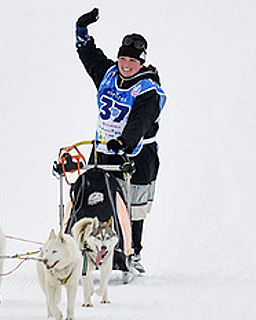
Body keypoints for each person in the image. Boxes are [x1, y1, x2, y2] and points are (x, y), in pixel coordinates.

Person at [75, 8, 167, 273]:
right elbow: (90, 56)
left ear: (142, 63)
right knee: (95, 197)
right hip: (103, 150)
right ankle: (93, 248)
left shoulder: (149, 90)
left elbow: (141, 121)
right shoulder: (108, 74)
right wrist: (81, 31)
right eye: (123, 59)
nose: (126, 65)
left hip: (137, 155)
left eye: (132, 61)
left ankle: (133, 251)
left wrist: (124, 143)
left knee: (132, 207)